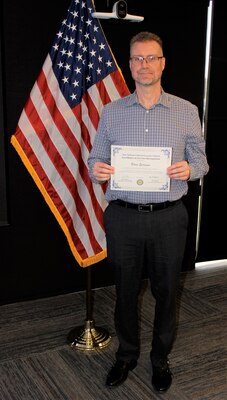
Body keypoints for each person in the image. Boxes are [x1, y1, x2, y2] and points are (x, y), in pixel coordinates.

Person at [88, 31, 209, 392]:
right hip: (123, 216)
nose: (145, 65)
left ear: (163, 63)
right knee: (125, 291)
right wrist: (97, 168)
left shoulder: (186, 110)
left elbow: (202, 161)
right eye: (138, 58)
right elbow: (96, 157)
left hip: (169, 217)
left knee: (167, 290)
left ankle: (160, 359)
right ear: (129, 64)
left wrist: (190, 169)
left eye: (151, 58)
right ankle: (125, 357)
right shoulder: (111, 112)